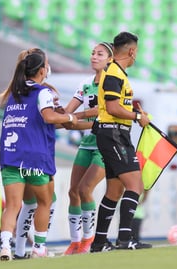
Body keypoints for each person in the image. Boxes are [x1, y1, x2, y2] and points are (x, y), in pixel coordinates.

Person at [0, 49, 78, 261]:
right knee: (45, 201)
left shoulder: (13, 94)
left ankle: (7, 246)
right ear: (42, 69)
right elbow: (50, 118)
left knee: (13, 206)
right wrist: (73, 117)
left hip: (11, 156)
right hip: (35, 157)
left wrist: (79, 118)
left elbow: (37, 122)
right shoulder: (43, 92)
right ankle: (39, 248)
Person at [90, 31, 152, 252]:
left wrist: (134, 113)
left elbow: (114, 106)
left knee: (114, 191)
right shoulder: (115, 72)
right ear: (132, 51)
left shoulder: (115, 72)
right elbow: (113, 107)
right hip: (114, 134)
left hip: (114, 133)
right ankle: (126, 239)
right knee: (136, 185)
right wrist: (137, 117)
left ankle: (99, 243)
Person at [62, 42, 113, 255]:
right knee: (72, 191)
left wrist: (76, 119)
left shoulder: (112, 84)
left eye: (99, 54)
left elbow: (103, 115)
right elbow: (67, 113)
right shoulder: (85, 84)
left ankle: (88, 240)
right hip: (87, 143)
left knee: (85, 190)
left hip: (105, 145)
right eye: (92, 53)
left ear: (110, 59)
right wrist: (61, 115)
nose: (94, 56)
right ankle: (75, 242)